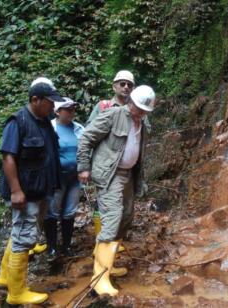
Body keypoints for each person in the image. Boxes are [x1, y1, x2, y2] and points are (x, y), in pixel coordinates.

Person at [77, 85, 155, 296]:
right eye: (137, 107)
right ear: (130, 102)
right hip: (110, 175)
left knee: (126, 217)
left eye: (144, 110)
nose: (140, 112)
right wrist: (83, 166)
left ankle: (108, 265)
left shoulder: (142, 123)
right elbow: (86, 138)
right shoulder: (113, 115)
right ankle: (98, 280)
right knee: (112, 218)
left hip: (128, 175)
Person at [0, 78, 64, 305]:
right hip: (25, 192)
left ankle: (5, 278)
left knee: (21, 233)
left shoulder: (44, 121)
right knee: (24, 239)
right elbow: (8, 157)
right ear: (35, 100)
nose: (53, 107)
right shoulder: (18, 121)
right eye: (50, 102)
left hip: (41, 189)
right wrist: (15, 190)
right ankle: (17, 293)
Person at [86, 70, 135, 239]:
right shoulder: (103, 107)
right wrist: (88, 166)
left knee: (126, 209)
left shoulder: (137, 110)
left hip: (127, 169)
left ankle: (113, 244)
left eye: (129, 84)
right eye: (122, 83)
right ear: (114, 86)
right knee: (106, 206)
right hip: (106, 166)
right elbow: (90, 134)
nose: (126, 87)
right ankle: (103, 242)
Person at [44, 97, 84, 260]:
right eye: (68, 109)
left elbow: (86, 149)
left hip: (74, 177)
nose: (72, 112)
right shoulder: (49, 128)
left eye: (73, 109)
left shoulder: (79, 128)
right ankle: (51, 247)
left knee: (70, 211)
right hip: (56, 177)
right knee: (52, 211)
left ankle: (66, 246)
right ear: (58, 112)